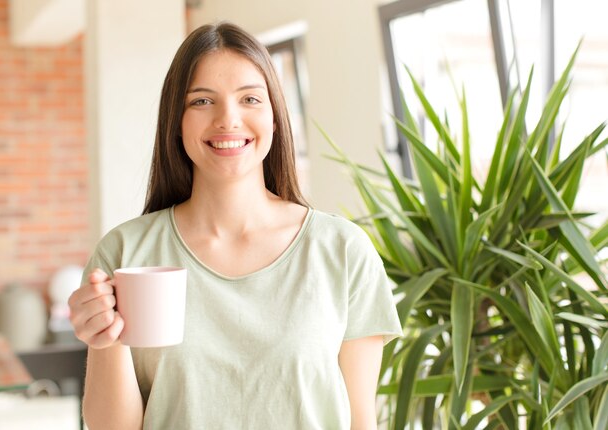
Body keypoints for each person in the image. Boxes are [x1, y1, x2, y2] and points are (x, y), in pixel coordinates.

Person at [68, 21, 402, 430]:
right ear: (176, 121)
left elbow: (361, 421)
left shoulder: (343, 250)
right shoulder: (125, 254)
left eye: (250, 99)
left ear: (276, 117)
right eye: (202, 102)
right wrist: (104, 341)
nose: (229, 119)